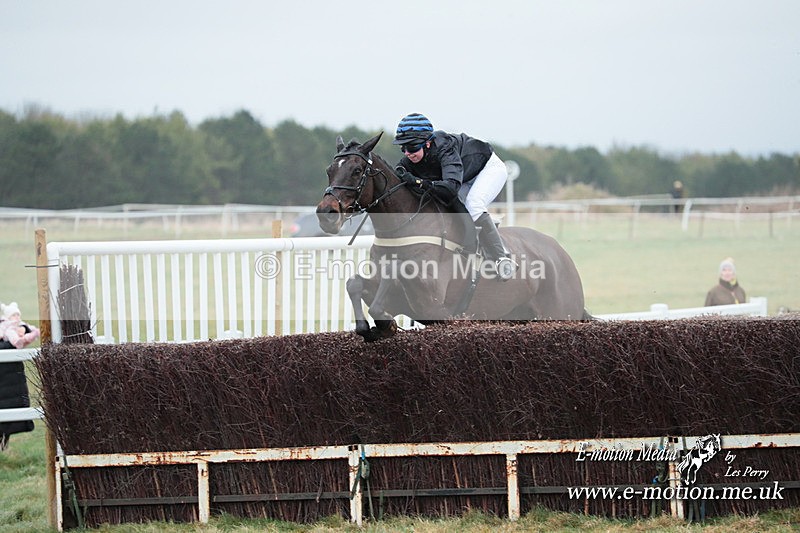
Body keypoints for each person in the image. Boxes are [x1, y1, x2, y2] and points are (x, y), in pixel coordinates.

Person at [392, 112, 517, 280]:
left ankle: (502, 257)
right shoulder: (412, 157)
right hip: (463, 176)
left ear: (427, 143)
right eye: (403, 148)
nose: (407, 153)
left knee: (473, 204)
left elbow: (450, 188)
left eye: (412, 147)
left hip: (488, 169)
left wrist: (418, 182)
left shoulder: (445, 149)